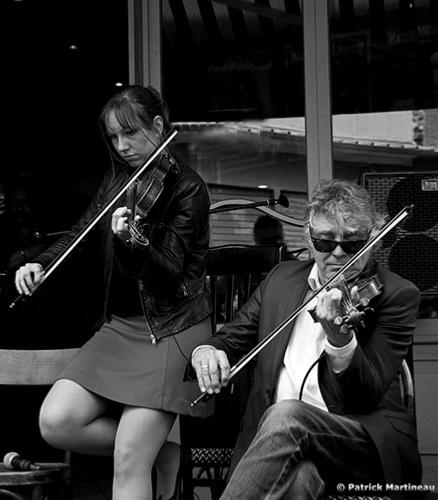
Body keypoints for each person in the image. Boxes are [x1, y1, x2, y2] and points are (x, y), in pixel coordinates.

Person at [14, 85, 213, 500]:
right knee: (56, 422)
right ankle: (160, 452)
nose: (121, 147)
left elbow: (171, 272)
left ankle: (143, 450)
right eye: (113, 138)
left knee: (128, 457)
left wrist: (134, 241)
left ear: (158, 126)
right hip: (121, 328)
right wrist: (41, 263)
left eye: (130, 134)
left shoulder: (188, 188)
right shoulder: (118, 179)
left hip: (170, 330)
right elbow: (80, 232)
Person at [191, 179, 421, 499]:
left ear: (373, 242)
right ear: (309, 240)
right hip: (282, 447)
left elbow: (365, 396)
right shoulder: (281, 280)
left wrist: (339, 338)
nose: (338, 254)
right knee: (300, 480)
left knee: (287, 414)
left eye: (352, 243)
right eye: (326, 243)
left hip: (358, 444)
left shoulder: (396, 295)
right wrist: (206, 350)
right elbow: (232, 337)